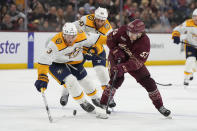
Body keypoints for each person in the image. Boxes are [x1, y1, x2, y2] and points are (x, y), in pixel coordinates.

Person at [100, 19, 171, 117]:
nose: (130, 35)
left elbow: (137, 62)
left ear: (141, 33)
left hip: (132, 61)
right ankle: (104, 103)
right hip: (116, 56)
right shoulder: (122, 30)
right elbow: (109, 39)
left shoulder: (145, 42)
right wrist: (116, 51)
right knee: (117, 78)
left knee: (149, 82)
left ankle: (160, 106)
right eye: (129, 32)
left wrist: (123, 67)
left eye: (134, 33)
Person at [34, 22, 107, 116]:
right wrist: (42, 76)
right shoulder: (55, 44)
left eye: (73, 36)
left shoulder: (81, 35)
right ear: (63, 34)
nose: (70, 39)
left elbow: (98, 39)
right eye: (68, 36)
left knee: (86, 81)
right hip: (57, 64)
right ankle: (82, 102)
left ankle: (95, 97)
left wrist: (112, 40)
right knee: (70, 80)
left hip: (74, 62)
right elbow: (43, 61)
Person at [60, 7, 115, 108]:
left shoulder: (108, 28)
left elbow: (111, 43)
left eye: (102, 20)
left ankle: (109, 96)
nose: (99, 22)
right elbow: (72, 29)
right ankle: (65, 93)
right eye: (98, 19)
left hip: (97, 50)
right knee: (71, 72)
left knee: (102, 72)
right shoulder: (85, 19)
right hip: (81, 48)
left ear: (105, 19)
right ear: (94, 17)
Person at [172, 8, 197, 86]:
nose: (195, 18)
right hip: (190, 46)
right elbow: (177, 29)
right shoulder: (188, 23)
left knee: (195, 66)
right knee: (190, 60)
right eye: (194, 16)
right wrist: (176, 36)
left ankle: (192, 72)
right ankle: (186, 78)